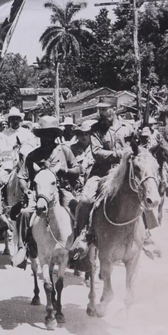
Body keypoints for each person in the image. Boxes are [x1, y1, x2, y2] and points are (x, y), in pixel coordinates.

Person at [70, 100, 134, 261]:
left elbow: (135, 145)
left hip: (125, 171)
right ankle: (84, 234)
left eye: (105, 109)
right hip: (102, 172)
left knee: (147, 189)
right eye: (99, 110)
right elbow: (97, 152)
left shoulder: (127, 127)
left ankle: (147, 233)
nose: (101, 113)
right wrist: (121, 154)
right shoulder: (96, 130)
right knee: (85, 200)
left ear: (114, 109)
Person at [14, 116, 80, 268]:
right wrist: (27, 191)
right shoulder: (32, 155)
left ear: (56, 136)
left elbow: (77, 169)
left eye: (50, 134)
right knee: (24, 213)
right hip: (39, 192)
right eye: (44, 135)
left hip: (62, 190)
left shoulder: (64, 151)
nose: (47, 138)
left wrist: (66, 171)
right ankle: (22, 248)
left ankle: (79, 246)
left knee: (78, 208)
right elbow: (22, 177)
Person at [70, 120, 96, 192]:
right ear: (77, 137)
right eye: (81, 134)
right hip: (77, 185)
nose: (84, 137)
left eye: (86, 134)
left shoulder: (95, 148)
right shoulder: (72, 149)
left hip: (92, 184)